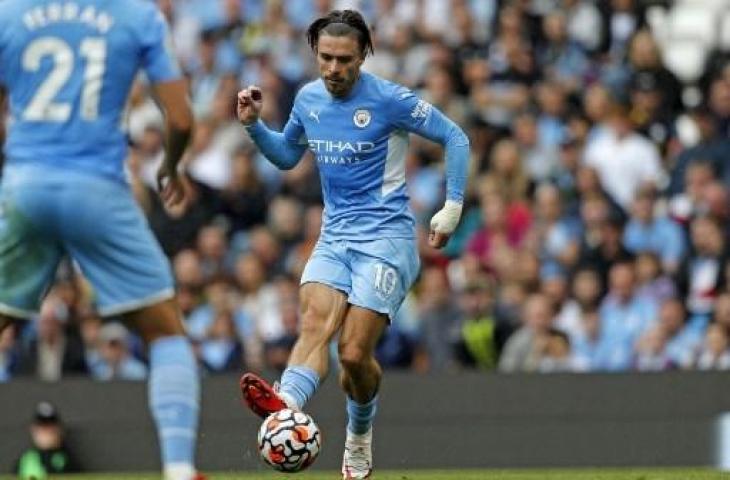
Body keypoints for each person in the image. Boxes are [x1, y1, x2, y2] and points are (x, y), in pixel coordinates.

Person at [236, 9, 469, 479]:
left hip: (387, 239)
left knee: (354, 355)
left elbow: (454, 136)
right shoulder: (307, 99)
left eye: (344, 59)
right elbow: (286, 155)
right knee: (314, 321)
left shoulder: (388, 99)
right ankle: (286, 408)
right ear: (315, 55)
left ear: (363, 55)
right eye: (325, 58)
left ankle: (358, 437)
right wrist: (254, 125)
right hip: (335, 236)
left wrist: (453, 206)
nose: (333, 69)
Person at [0, 2, 202, 479]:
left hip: (25, 189)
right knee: (165, 331)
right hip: (97, 191)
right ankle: (178, 468)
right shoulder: (137, 16)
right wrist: (170, 166)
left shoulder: (9, 13)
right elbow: (180, 120)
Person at [15, 401, 80, 478]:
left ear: (59, 430)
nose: (46, 432)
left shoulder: (68, 461)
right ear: (33, 430)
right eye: (41, 426)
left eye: (50, 426)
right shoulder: (25, 461)